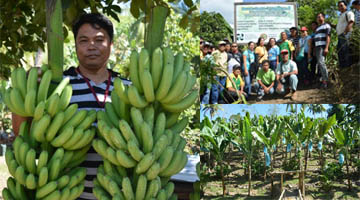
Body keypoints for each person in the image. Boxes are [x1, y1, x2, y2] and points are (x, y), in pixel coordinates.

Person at [12, 13, 131, 199]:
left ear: (111, 45)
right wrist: (28, 91)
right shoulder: (58, 86)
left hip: (119, 193)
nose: (91, 46)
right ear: (75, 45)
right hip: (65, 192)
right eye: (84, 40)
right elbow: (22, 134)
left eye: (99, 40)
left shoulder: (129, 89)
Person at [314, 13, 331, 89]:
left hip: (322, 46)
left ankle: (326, 81)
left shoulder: (326, 26)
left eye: (320, 16)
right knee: (320, 64)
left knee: (321, 63)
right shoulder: (317, 28)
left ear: (323, 17)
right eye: (317, 17)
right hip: (317, 47)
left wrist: (326, 47)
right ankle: (323, 79)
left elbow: (328, 36)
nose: (319, 18)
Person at [336, 0, 355, 68]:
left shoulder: (349, 13)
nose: (340, 7)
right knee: (340, 51)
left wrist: (345, 33)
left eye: (341, 5)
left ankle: (348, 66)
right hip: (340, 36)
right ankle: (343, 67)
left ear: (346, 6)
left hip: (345, 35)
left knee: (346, 50)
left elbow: (351, 22)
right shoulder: (340, 16)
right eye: (339, 6)